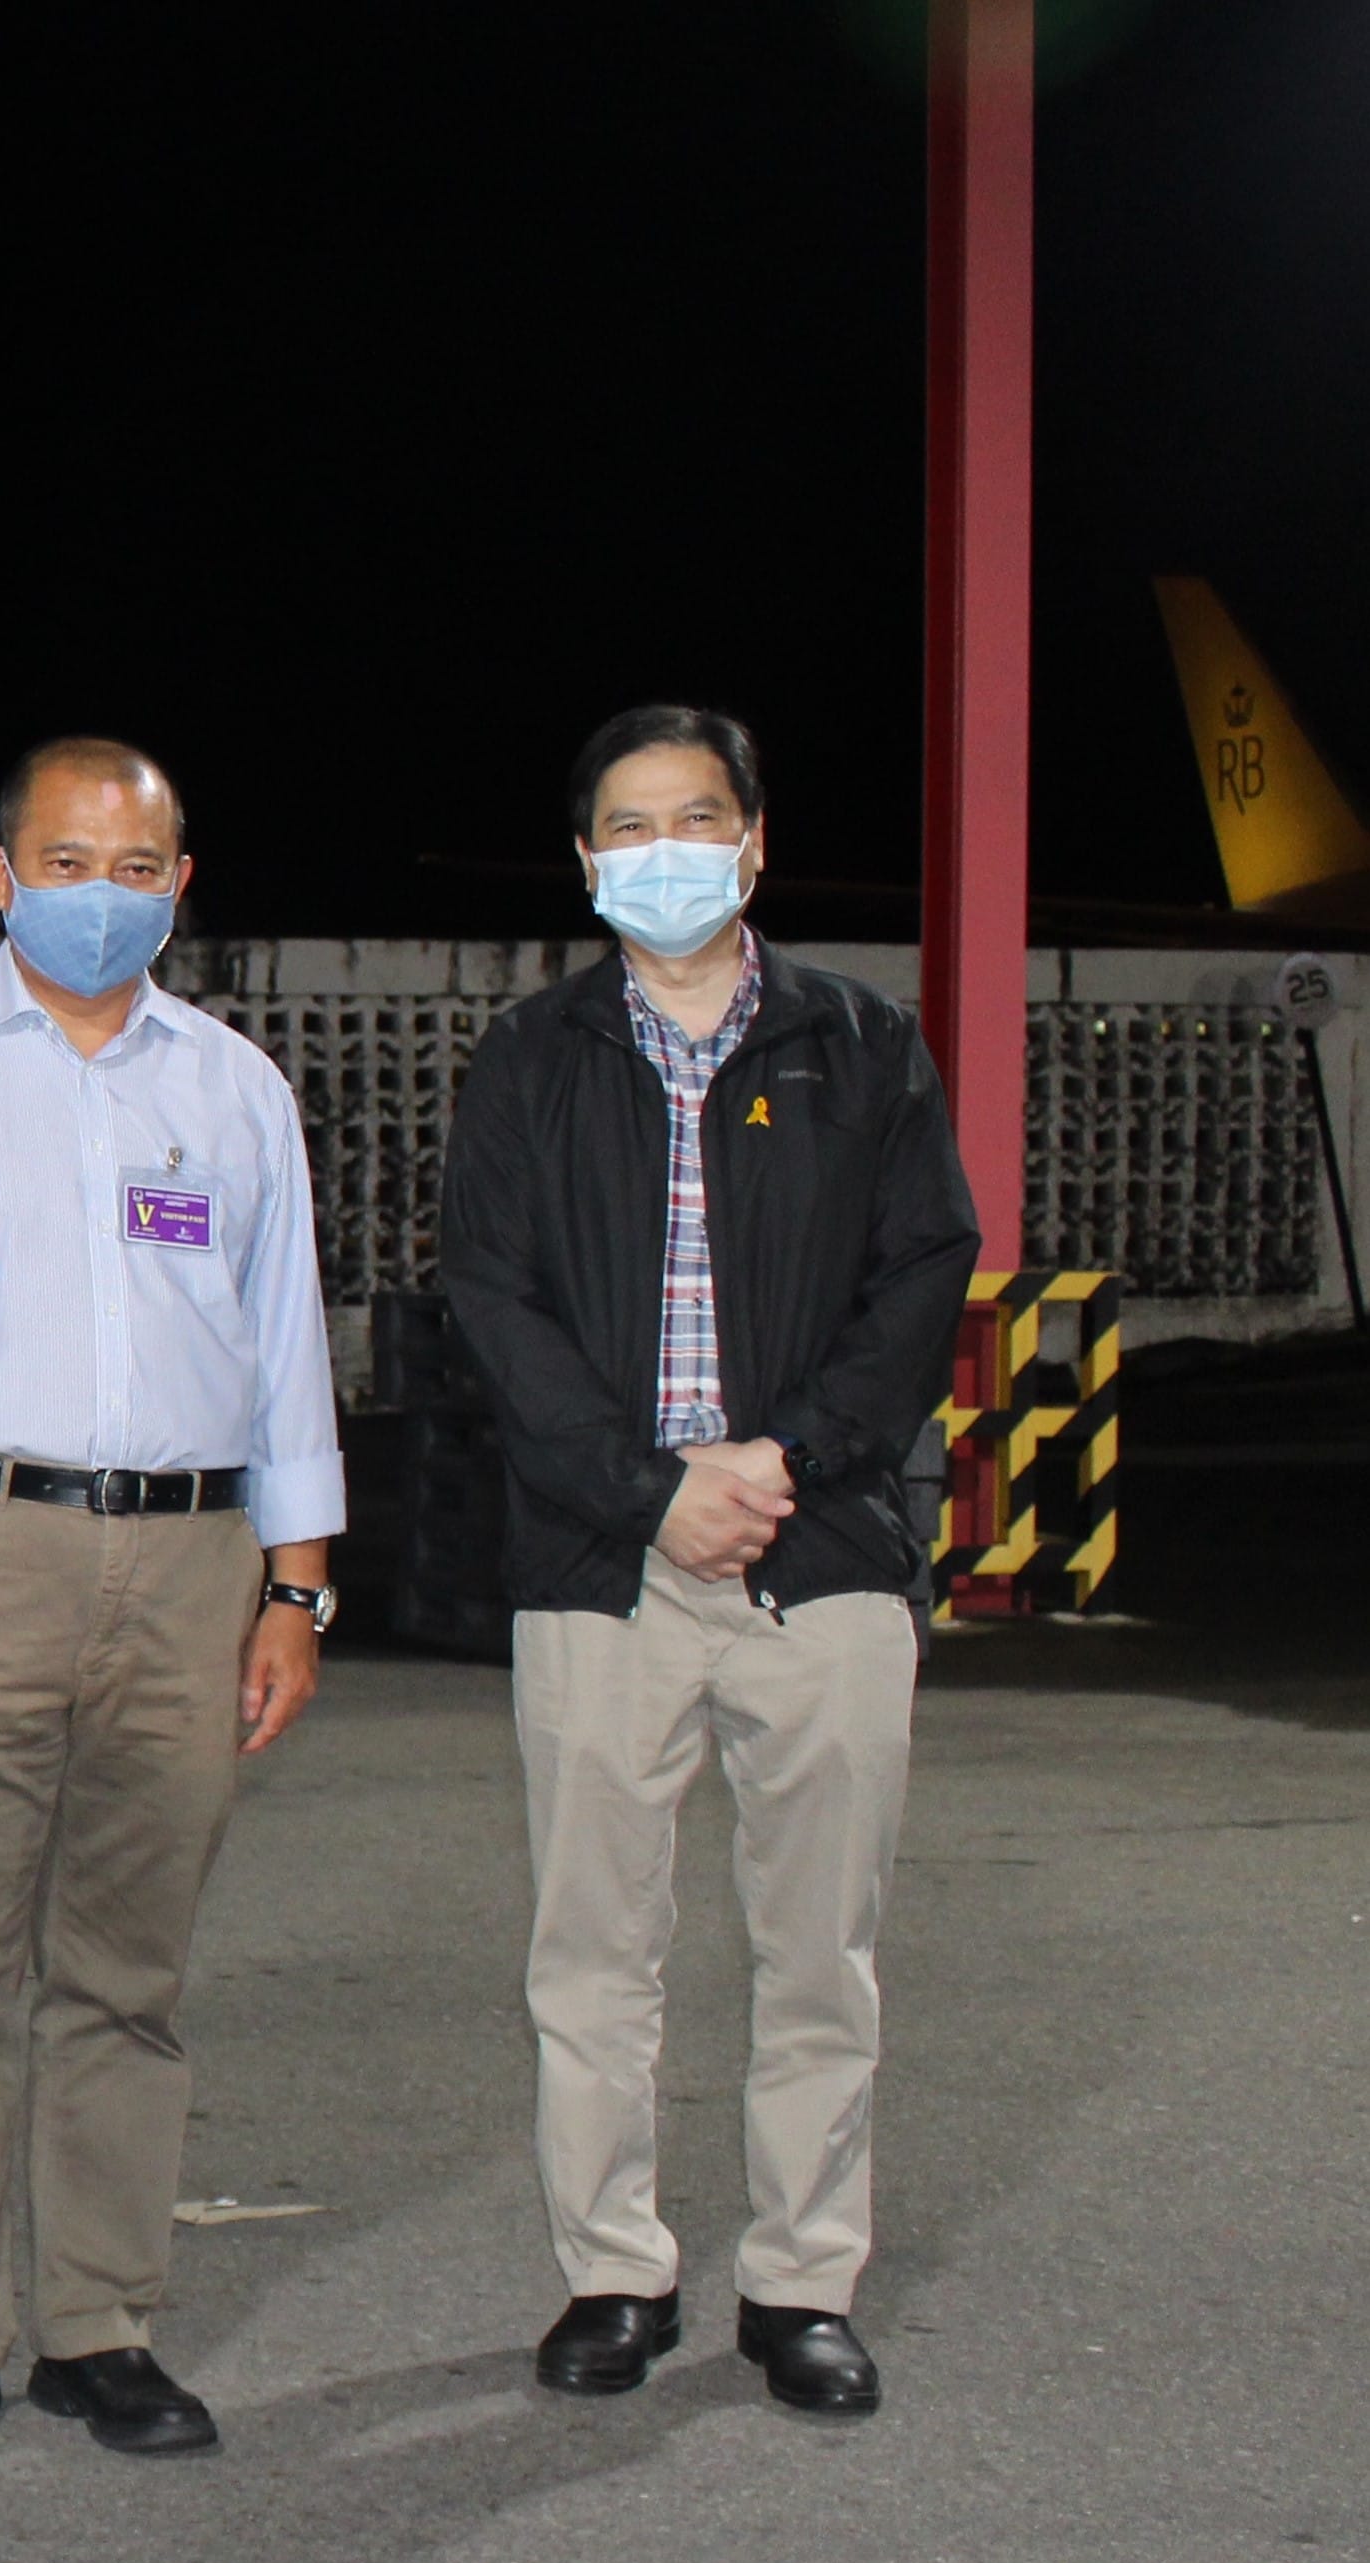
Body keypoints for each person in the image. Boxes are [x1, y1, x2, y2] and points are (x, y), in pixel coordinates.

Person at [0, 738, 341, 2464]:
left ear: (181, 882)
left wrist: (295, 1592)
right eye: (68, 860)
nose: (104, 892)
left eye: (138, 864)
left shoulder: (236, 1090)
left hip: (188, 1563)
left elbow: (289, 1346)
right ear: (3, 879)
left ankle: (102, 2325)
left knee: (125, 1971)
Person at [439, 706, 977, 2418]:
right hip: (607, 1568)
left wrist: (782, 1463)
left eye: (695, 819)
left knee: (821, 1949)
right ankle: (613, 2272)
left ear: (753, 844)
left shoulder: (860, 1043)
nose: (661, 851)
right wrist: (650, 1489)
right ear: (588, 859)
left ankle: (803, 2283)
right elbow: (494, 1303)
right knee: (591, 1955)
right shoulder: (532, 1060)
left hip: (818, 1559)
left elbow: (923, 1278)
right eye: (626, 826)